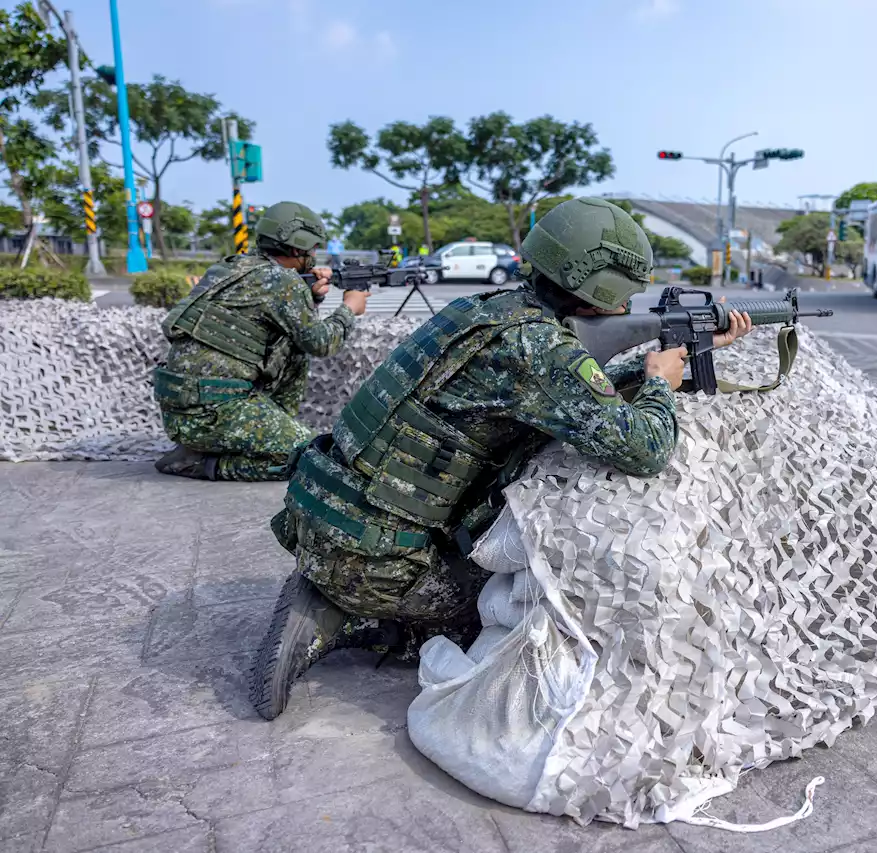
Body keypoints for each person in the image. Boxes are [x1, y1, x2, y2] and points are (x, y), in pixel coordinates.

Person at [251, 197, 754, 719]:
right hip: (374, 556)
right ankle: (345, 611)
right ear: (597, 281)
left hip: (316, 508)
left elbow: (565, 395)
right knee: (509, 617)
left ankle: (338, 581)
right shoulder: (541, 350)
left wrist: (671, 360)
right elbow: (645, 449)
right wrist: (658, 383)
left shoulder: (483, 309)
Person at [152, 202, 369, 482]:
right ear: (296, 249)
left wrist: (311, 296)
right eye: (313, 247)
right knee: (316, 457)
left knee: (294, 347)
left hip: (182, 409)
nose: (315, 254)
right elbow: (322, 343)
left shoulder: (230, 267)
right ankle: (198, 463)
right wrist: (349, 308)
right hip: (213, 413)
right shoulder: (282, 281)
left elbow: (289, 329)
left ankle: (268, 426)